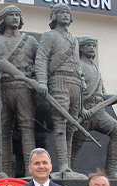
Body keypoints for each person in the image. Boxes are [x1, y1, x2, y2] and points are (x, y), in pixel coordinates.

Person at [0, 5, 38, 177]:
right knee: (3, 129)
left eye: (18, 15)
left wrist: (39, 83)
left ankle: (29, 170)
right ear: (3, 19)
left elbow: (40, 65)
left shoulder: (30, 41)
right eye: (11, 15)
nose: (15, 17)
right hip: (3, 88)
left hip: (24, 87)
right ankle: (4, 172)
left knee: (27, 128)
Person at [35, 4, 83, 176]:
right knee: (61, 124)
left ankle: (69, 165)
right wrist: (42, 81)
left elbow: (78, 64)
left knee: (72, 126)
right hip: (59, 80)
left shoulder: (74, 40)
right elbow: (41, 59)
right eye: (61, 12)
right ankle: (63, 165)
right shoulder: (49, 36)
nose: (65, 15)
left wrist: (82, 83)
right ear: (54, 16)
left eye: (67, 13)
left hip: (75, 83)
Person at [70, 37, 117, 179]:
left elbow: (103, 96)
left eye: (93, 46)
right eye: (88, 45)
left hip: (99, 112)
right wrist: (80, 110)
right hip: (83, 112)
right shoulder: (78, 66)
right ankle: (69, 170)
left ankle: (111, 172)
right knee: (75, 144)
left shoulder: (96, 69)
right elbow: (74, 91)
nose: (91, 48)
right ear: (81, 48)